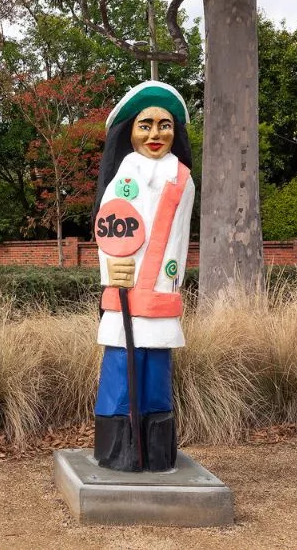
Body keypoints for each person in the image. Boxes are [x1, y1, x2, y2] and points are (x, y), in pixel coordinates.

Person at [91, 81, 195, 472]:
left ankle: (155, 449)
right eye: (146, 124)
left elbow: (182, 237)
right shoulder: (123, 175)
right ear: (130, 131)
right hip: (125, 289)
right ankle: (118, 449)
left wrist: (174, 278)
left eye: (164, 125)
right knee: (121, 367)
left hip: (162, 292)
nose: (155, 134)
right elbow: (109, 227)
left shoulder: (184, 180)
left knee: (156, 372)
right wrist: (110, 268)